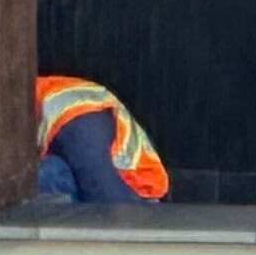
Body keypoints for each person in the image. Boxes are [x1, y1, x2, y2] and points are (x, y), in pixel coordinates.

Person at [37, 74, 169, 203]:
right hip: (110, 190)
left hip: (132, 194)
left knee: (47, 174)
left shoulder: (79, 121)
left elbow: (105, 194)